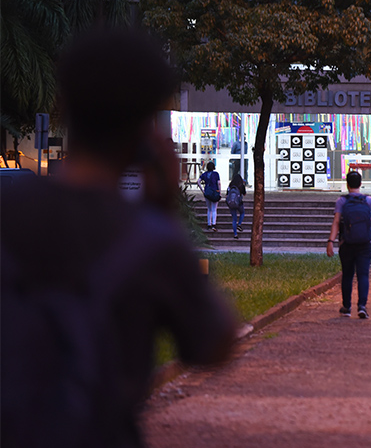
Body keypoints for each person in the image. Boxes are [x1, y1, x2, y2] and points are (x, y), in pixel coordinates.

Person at [0, 28, 238, 448]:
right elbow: (214, 344)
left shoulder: (9, 209)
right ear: (147, 126)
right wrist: (165, 214)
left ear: (63, 104)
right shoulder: (151, 241)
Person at [326, 171, 371, 319]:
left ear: (347, 184)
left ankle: (346, 307)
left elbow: (337, 223)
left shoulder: (342, 201)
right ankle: (362, 306)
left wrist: (330, 242)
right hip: (365, 244)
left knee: (347, 275)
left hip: (347, 243)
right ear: (360, 183)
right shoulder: (369, 200)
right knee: (363, 274)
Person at [199, 161, 221, 231]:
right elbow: (219, 183)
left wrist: (202, 190)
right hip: (214, 192)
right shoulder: (216, 174)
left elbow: (198, 181)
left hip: (207, 192)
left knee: (209, 209)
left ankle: (209, 224)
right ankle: (214, 224)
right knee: (214, 209)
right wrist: (219, 192)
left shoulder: (204, 174)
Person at [227, 173, 246, 239]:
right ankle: (239, 224)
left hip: (231, 204)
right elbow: (244, 194)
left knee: (234, 219)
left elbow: (227, 195)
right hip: (239, 203)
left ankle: (235, 234)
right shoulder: (241, 185)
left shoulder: (230, 185)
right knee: (242, 212)